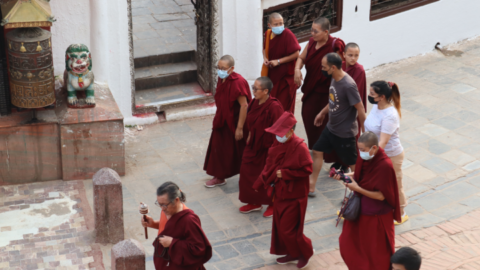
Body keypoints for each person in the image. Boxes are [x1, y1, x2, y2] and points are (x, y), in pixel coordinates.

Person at [253, 112, 314, 269]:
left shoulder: (300, 147)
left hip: (295, 196)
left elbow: (307, 169)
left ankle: (305, 253)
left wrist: (286, 174)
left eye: (280, 133)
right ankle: (292, 253)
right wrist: (259, 183)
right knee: (280, 228)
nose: (277, 136)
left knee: (289, 229)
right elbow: (269, 165)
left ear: (290, 132)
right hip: (280, 193)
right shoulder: (278, 144)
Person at [333, 132, 401, 270]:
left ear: (374, 148)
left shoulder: (385, 165)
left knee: (375, 253)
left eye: (363, 150)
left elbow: (382, 196)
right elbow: (359, 174)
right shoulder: (365, 157)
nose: (360, 153)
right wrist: (344, 176)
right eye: (359, 149)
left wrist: (357, 188)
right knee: (349, 244)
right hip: (360, 210)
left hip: (377, 217)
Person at [309, 53, 366, 195]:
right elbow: (333, 100)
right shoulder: (334, 78)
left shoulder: (348, 85)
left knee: (352, 163)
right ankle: (311, 185)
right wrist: (322, 113)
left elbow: (360, 108)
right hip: (331, 127)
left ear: (333, 67)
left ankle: (357, 191)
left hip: (345, 133)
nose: (322, 69)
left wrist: (365, 131)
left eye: (324, 67)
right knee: (317, 151)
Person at [294, 17, 345, 150]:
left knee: (326, 123)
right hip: (311, 90)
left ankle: (327, 151)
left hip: (328, 92)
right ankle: (316, 148)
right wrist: (297, 69)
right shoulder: (311, 42)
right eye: (311, 30)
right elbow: (301, 57)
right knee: (308, 117)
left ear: (326, 32)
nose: (312, 33)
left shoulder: (335, 45)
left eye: (316, 31)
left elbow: (340, 70)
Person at [239, 77, 284, 218]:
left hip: (269, 147)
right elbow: (252, 121)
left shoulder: (275, 107)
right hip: (253, 145)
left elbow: (280, 130)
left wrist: (276, 153)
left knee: (269, 176)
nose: (253, 91)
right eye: (253, 87)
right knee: (246, 172)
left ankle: (272, 203)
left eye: (256, 89)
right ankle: (254, 202)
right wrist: (250, 134)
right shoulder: (254, 102)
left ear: (266, 91)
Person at [203, 55, 251, 187]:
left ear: (231, 69)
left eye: (223, 68)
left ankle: (250, 174)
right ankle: (220, 176)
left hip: (235, 122)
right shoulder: (222, 78)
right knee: (219, 147)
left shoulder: (238, 82)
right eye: (218, 68)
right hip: (222, 119)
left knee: (241, 150)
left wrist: (240, 128)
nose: (220, 70)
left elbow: (244, 105)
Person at [365, 80, 408, 224]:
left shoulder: (390, 115)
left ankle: (401, 212)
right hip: (374, 151)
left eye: (372, 94)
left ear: (382, 96)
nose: (369, 96)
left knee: (396, 183)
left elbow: (382, 142)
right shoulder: (376, 106)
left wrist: (371, 158)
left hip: (390, 155)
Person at [141, 182, 212, 269]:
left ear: (176, 200)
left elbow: (199, 249)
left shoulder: (189, 220)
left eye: (164, 205)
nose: (162, 208)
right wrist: (152, 224)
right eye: (159, 204)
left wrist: (172, 243)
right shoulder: (167, 210)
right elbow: (169, 226)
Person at [327, 42, 367, 171]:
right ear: (343, 55)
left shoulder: (359, 71)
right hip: (339, 105)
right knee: (337, 136)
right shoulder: (341, 66)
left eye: (356, 55)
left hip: (351, 109)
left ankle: (347, 164)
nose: (353, 58)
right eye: (350, 55)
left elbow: (356, 95)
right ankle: (339, 161)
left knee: (349, 138)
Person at [262, 12, 301, 113]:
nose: (279, 26)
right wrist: (265, 58)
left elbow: (296, 54)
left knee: (283, 107)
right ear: (269, 25)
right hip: (273, 76)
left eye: (281, 23)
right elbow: (264, 49)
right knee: (272, 105)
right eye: (276, 24)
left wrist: (279, 61)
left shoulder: (287, 34)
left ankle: (287, 127)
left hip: (285, 78)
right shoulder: (268, 34)